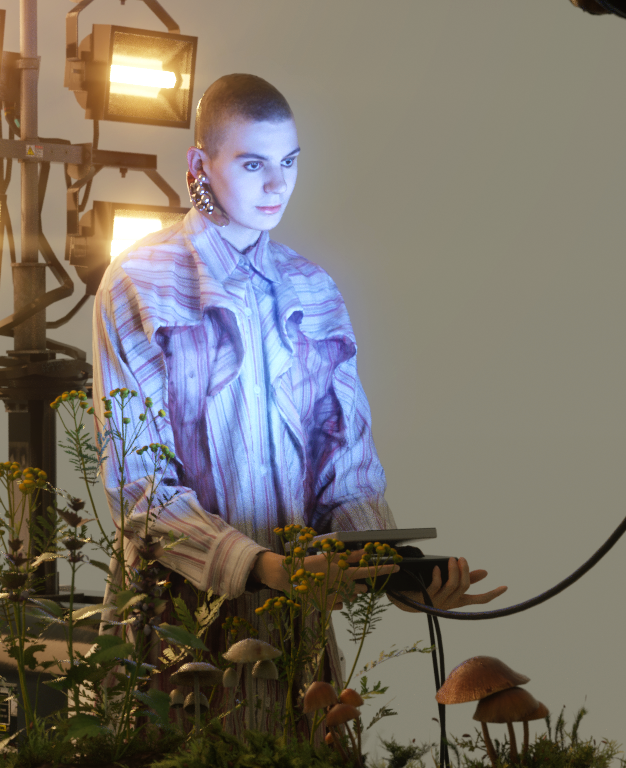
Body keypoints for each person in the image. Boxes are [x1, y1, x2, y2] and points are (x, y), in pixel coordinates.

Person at [91, 73, 505, 622]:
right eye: (253, 164)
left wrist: (390, 570)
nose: (277, 185)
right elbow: (138, 485)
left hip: (296, 627)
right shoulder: (139, 281)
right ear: (199, 165)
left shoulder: (314, 289)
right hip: (172, 625)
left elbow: (347, 468)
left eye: (289, 162)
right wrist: (259, 566)